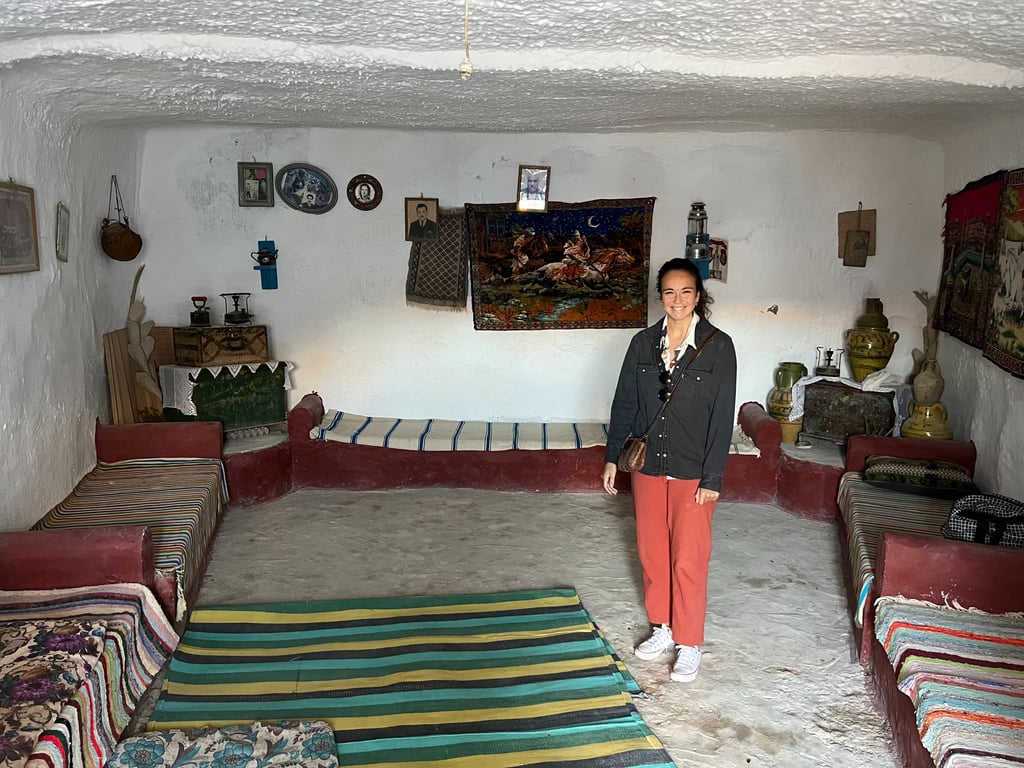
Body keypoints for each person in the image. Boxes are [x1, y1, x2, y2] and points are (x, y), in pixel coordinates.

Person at [601, 257, 736, 683]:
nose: (677, 300)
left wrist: (713, 478)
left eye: (686, 292)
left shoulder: (719, 346)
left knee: (689, 559)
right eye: (669, 292)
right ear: (660, 296)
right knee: (652, 553)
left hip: (693, 469)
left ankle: (689, 643)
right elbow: (624, 403)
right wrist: (611, 457)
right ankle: (662, 627)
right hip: (647, 467)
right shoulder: (642, 343)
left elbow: (722, 417)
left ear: (698, 296)